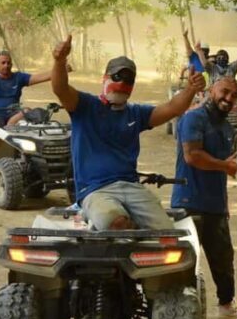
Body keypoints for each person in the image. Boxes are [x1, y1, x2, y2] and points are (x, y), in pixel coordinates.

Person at [50, 35, 205, 230]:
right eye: (117, 76)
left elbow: (173, 108)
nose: (122, 83)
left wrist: (191, 89)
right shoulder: (85, 106)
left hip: (132, 188)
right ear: (104, 78)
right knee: (114, 222)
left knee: (168, 234)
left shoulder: (136, 113)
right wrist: (59, 60)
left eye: (128, 79)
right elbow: (60, 88)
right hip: (95, 190)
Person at [171, 75, 237, 319]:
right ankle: (185, 318)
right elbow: (192, 156)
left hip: (215, 204)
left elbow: (223, 164)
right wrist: (224, 166)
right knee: (186, 264)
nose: (228, 98)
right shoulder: (193, 118)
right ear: (211, 90)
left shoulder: (226, 126)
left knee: (223, 259)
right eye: (225, 91)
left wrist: (224, 173)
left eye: (234, 95)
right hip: (188, 203)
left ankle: (226, 305)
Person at [0, 48, 67, 152]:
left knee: (28, 112)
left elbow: (40, 77)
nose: (6, 65)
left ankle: (28, 151)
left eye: (8, 63)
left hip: (13, 114)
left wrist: (61, 70)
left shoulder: (18, 77)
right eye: (3, 63)